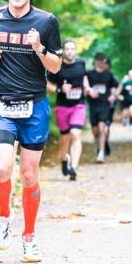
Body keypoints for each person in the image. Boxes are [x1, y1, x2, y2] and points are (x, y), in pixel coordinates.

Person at [0, 0, 62, 263]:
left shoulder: (46, 21)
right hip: (0, 106)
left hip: (34, 107)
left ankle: (30, 237)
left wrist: (38, 48)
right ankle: (4, 216)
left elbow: (56, 66)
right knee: (0, 169)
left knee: (28, 175)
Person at [47, 39, 89, 181]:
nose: (70, 51)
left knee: (75, 134)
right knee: (64, 139)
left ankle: (74, 168)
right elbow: (47, 83)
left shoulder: (81, 63)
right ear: (63, 51)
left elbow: (84, 78)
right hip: (63, 106)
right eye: (67, 49)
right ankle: (64, 159)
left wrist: (87, 87)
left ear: (75, 51)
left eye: (72, 49)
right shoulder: (57, 66)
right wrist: (60, 89)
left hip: (79, 105)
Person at [86, 53, 119, 163]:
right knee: (95, 131)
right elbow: (84, 86)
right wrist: (89, 91)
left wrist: (113, 95)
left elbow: (117, 86)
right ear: (95, 61)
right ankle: (101, 144)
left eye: (103, 61)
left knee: (102, 128)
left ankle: (101, 153)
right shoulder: (89, 74)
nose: (101, 63)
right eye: (99, 60)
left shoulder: (108, 74)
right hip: (93, 105)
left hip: (104, 105)